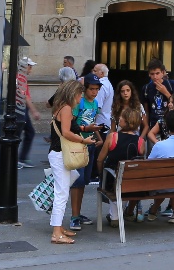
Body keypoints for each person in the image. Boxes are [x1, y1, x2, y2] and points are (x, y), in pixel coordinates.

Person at [47, 80, 98, 245]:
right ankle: (56, 232)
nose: (80, 97)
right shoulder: (67, 108)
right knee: (61, 193)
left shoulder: (60, 107)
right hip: (60, 154)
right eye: (79, 94)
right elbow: (67, 132)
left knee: (65, 187)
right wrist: (84, 142)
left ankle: (58, 227)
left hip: (56, 153)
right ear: (73, 93)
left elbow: (69, 128)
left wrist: (84, 129)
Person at [97, 106, 146, 226]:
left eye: (122, 117)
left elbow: (100, 160)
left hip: (112, 180)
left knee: (113, 178)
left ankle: (115, 218)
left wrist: (100, 174)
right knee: (125, 179)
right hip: (133, 182)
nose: (119, 118)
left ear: (127, 121)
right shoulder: (140, 141)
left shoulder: (112, 137)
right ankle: (122, 213)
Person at [67, 75, 104, 230]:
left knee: (84, 181)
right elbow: (72, 123)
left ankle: (78, 213)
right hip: (78, 144)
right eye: (92, 89)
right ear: (85, 89)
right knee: (77, 181)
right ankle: (74, 216)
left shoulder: (95, 104)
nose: (94, 92)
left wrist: (98, 137)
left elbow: (91, 122)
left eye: (96, 89)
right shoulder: (79, 102)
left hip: (90, 144)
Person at [16, 57, 42, 169]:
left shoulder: (21, 78)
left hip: (21, 109)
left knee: (27, 132)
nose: (30, 69)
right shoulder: (20, 78)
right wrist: (34, 111)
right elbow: (25, 97)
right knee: (22, 133)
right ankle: (19, 159)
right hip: (20, 109)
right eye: (29, 66)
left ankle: (21, 158)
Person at [94, 63, 114, 130]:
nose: (93, 73)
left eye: (95, 71)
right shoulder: (108, 84)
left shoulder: (101, 85)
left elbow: (97, 105)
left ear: (101, 73)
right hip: (106, 119)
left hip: (99, 123)